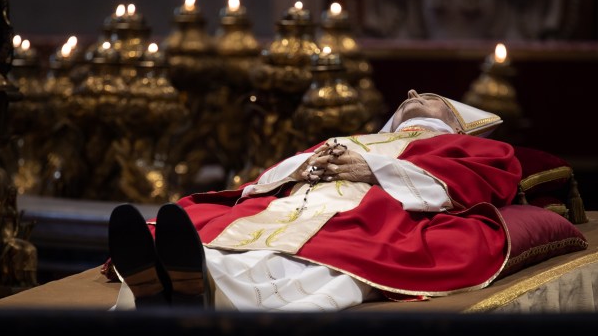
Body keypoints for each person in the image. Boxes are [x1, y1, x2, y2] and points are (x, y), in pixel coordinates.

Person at [108, 89, 522, 311]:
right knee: (235, 238)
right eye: (409, 96)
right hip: (299, 199)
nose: (412, 91)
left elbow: (478, 183)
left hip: (374, 205)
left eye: (429, 96)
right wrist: (302, 169)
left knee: (319, 251)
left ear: (455, 120)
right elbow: (266, 177)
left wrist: (372, 169)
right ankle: (175, 280)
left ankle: (194, 292)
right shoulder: (356, 137)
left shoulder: (463, 146)